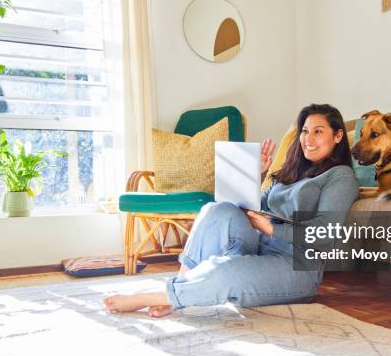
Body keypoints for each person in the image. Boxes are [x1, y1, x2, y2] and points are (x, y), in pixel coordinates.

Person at [104, 104, 359, 317]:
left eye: (318, 131)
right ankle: (181, 285)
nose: (308, 139)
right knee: (217, 209)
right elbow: (253, 207)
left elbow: (327, 232)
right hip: (257, 244)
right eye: (304, 131)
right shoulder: (289, 173)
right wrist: (255, 173)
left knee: (226, 271)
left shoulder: (341, 176)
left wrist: (272, 229)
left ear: (337, 136)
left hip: (296, 265)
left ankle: (163, 296)